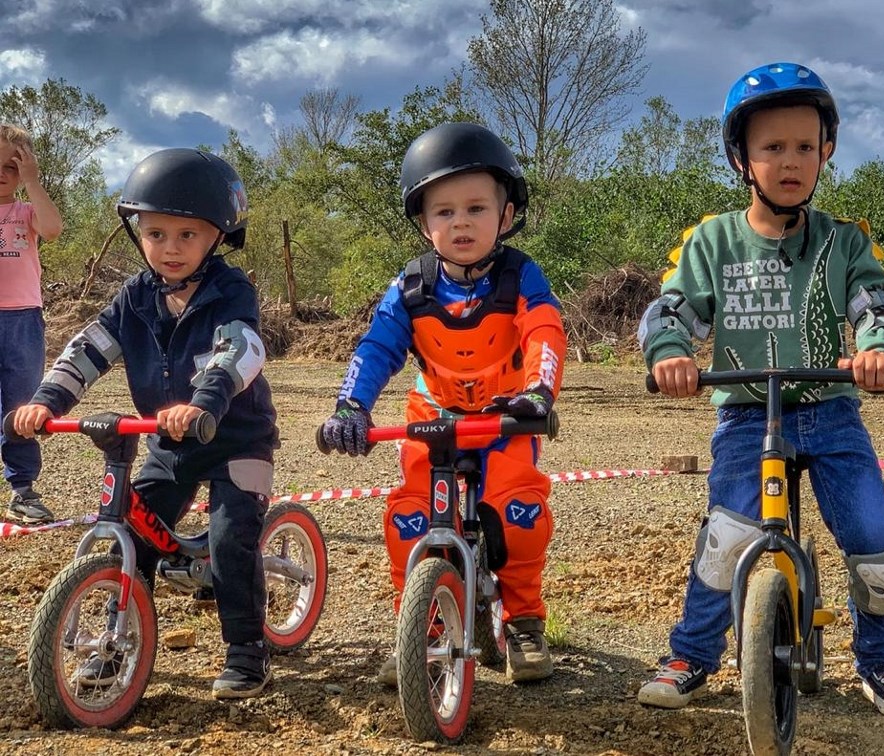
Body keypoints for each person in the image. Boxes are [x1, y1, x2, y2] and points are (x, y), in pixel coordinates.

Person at [635, 62, 884, 718]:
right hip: (746, 415)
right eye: (772, 148)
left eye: (804, 146)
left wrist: (879, 349)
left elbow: (874, 302)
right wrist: (671, 353)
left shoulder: (844, 241)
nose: (789, 161)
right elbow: (672, 308)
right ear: (742, 158)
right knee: (727, 541)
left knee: (874, 541)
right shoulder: (712, 240)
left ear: (826, 151)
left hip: (830, 411)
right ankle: (691, 656)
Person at [10, 148, 279, 699]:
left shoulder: (230, 290)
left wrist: (204, 402)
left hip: (235, 436)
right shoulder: (135, 296)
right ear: (139, 234)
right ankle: (115, 642)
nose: (170, 248)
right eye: (156, 233)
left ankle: (247, 650)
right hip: (168, 439)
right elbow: (89, 348)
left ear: (217, 237)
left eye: (187, 235)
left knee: (232, 542)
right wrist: (46, 401)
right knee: (134, 537)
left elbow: (239, 349)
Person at [319, 122, 565, 685]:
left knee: (519, 516)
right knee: (408, 518)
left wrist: (539, 393)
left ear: (506, 215)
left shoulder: (520, 273)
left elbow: (545, 329)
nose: (460, 222)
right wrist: (350, 406)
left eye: (477, 208)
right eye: (444, 211)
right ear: (424, 222)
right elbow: (379, 344)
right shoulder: (410, 285)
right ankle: (423, 631)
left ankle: (525, 621)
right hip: (435, 419)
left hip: (507, 417)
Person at [0, 124, 63, 525]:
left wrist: (33, 183)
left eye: (12, 165)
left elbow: (54, 229)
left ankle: (22, 490)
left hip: (22, 320)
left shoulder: (25, 212)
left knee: (21, 406)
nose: (2, 171)